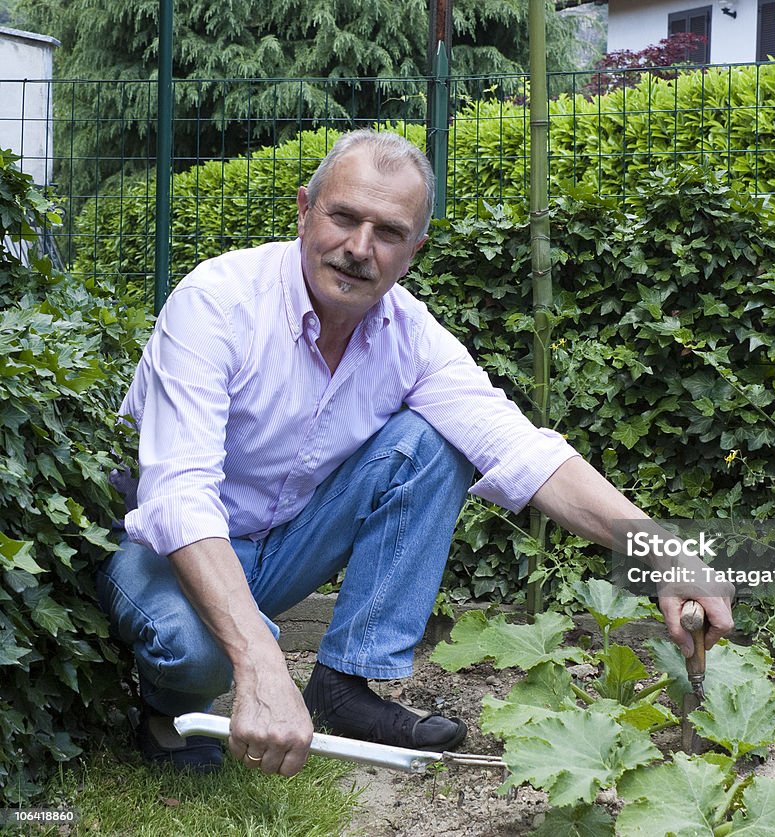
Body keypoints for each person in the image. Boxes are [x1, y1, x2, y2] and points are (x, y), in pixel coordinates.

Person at [97, 129, 733, 777]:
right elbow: (178, 498)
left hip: (275, 545)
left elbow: (521, 450)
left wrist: (667, 554)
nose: (358, 248)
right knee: (196, 652)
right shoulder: (218, 302)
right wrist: (260, 659)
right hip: (159, 549)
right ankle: (168, 712)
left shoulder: (410, 337)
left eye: (388, 231)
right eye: (343, 216)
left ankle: (342, 683)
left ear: (414, 251)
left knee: (434, 441)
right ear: (304, 210)